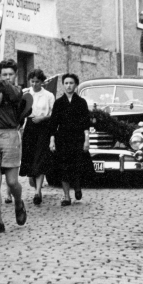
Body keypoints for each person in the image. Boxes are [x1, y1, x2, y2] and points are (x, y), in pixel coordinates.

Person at [0, 59, 28, 234]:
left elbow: (9, 91)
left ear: (15, 75)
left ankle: (18, 201)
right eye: (4, 74)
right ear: (0, 74)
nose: (7, 77)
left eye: (11, 74)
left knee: (12, 181)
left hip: (9, 135)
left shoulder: (16, 91)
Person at [49, 73, 91, 206]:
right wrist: (52, 140)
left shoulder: (81, 103)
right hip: (63, 139)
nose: (68, 86)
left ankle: (77, 187)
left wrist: (86, 140)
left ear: (76, 85)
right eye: (66, 83)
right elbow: (53, 124)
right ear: (63, 85)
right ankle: (66, 196)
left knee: (76, 166)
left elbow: (86, 123)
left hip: (77, 139)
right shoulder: (58, 103)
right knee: (63, 168)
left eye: (71, 83)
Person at [20, 69, 55, 205]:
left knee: (40, 157)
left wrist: (42, 118)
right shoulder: (25, 93)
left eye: (37, 82)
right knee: (30, 156)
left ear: (42, 82)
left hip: (43, 127)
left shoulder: (48, 95)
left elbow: (53, 113)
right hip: (29, 127)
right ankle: (33, 181)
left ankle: (37, 192)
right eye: (32, 81)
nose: (34, 84)